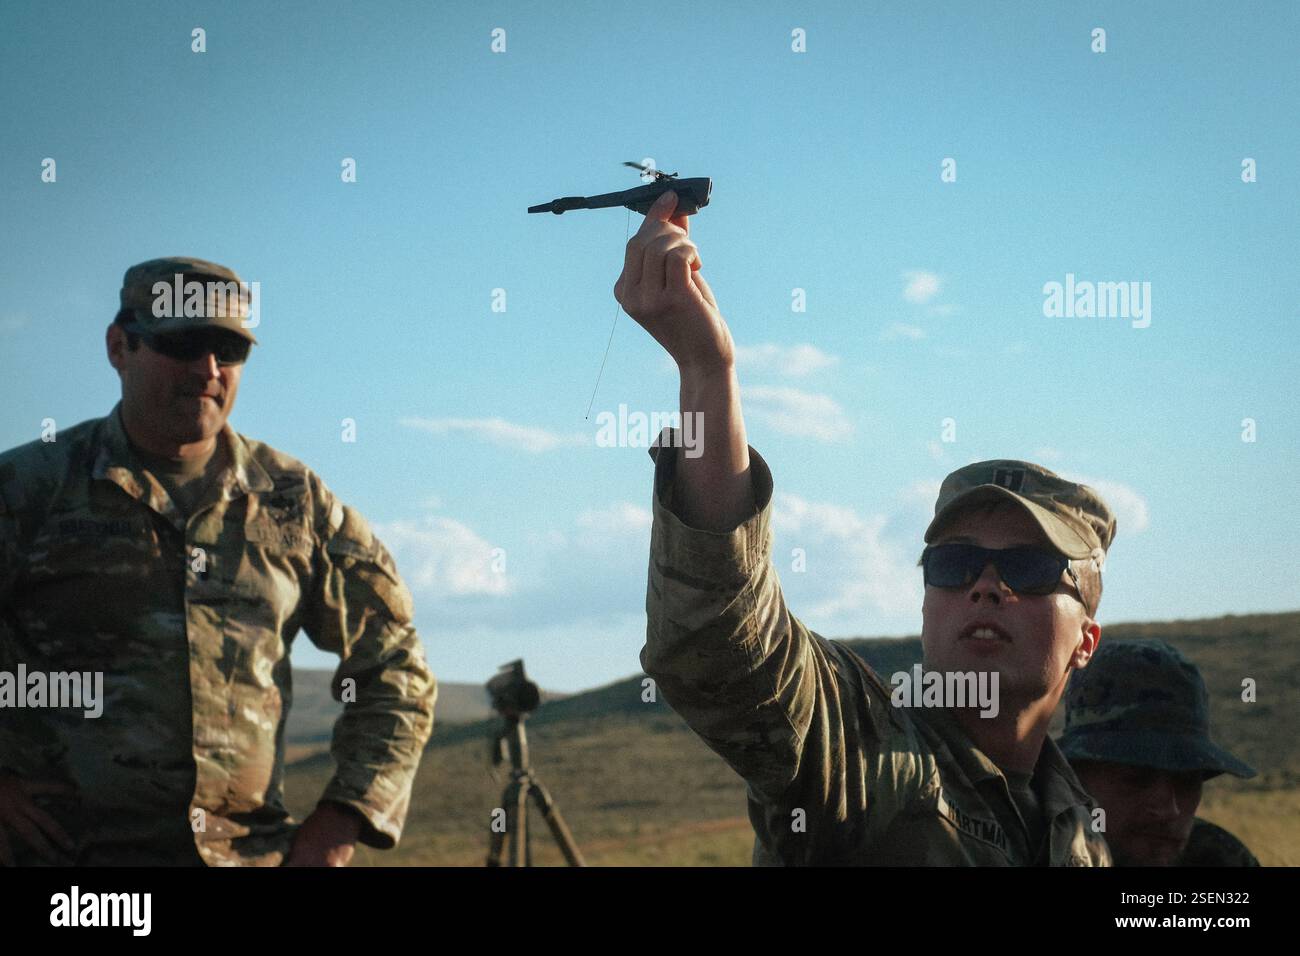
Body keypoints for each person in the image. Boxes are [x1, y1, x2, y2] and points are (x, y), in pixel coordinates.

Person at [617, 190, 1115, 864]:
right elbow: (728, 648)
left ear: (1087, 639)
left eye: (1026, 568)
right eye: (954, 565)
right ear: (926, 599)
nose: (986, 588)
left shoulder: (1081, 827)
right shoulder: (870, 754)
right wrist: (707, 371)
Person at [0, 257, 436, 866]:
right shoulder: (30, 488)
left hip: (245, 855)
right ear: (119, 346)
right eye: (184, 343)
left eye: (229, 350)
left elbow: (394, 662)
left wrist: (344, 818)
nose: (208, 370)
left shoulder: (294, 500)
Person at [1058, 640, 1259, 866]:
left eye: (1187, 781)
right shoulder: (1027, 851)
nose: (1169, 810)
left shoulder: (1218, 859)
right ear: (1075, 780)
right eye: (1137, 779)